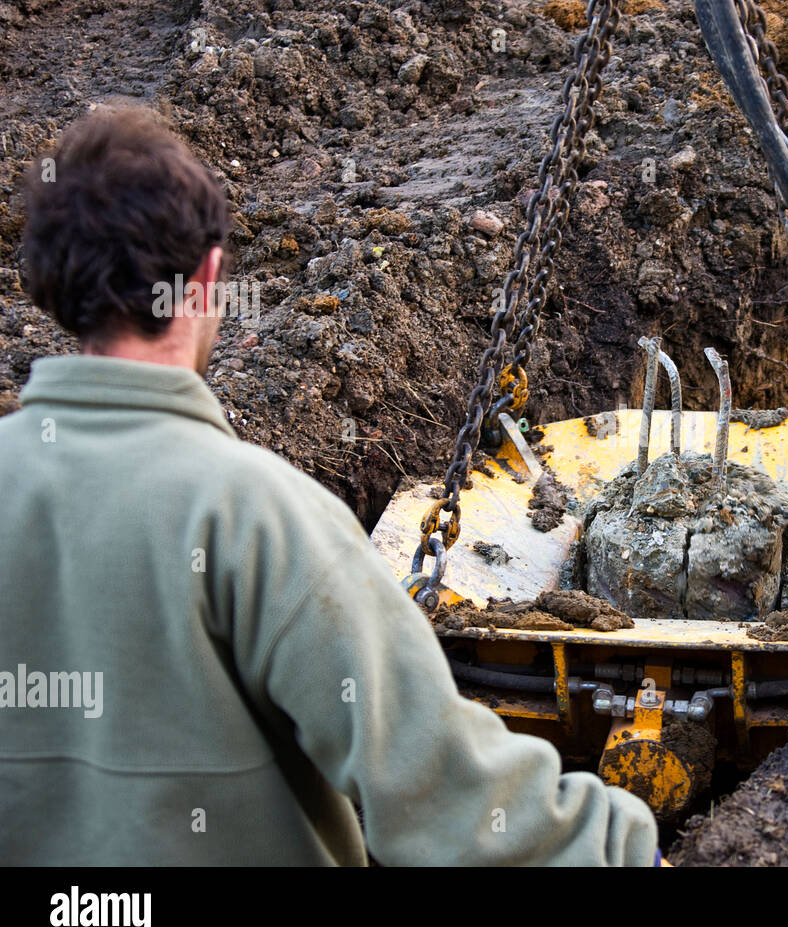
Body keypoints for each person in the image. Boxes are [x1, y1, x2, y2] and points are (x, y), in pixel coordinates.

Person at [0, 104, 660, 866]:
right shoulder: (256, 516)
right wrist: (619, 847)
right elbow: (440, 792)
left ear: (51, 287)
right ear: (209, 276)